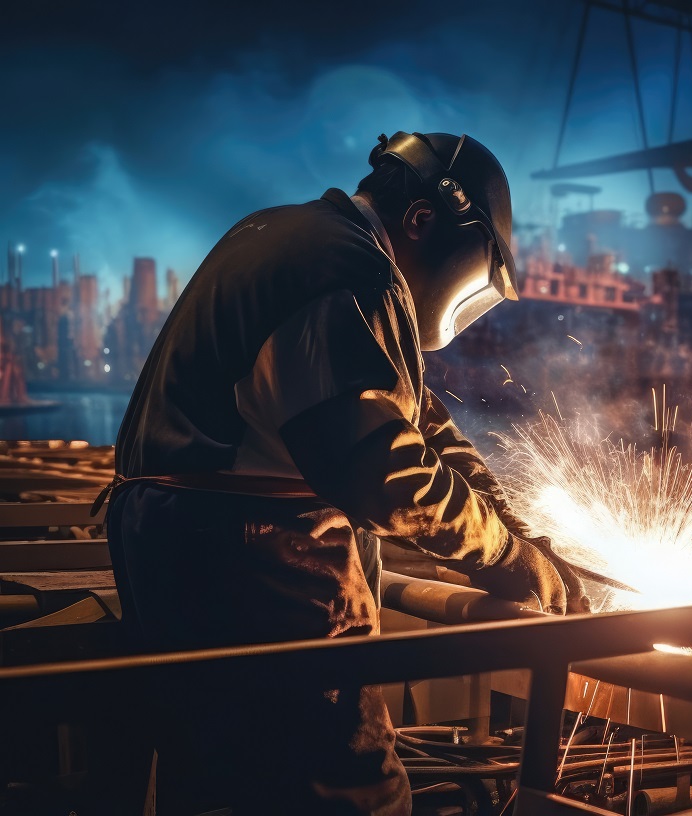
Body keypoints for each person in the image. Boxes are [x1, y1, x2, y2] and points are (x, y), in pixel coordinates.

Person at [104, 131, 578, 814]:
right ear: (424, 220)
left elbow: (418, 422)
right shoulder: (346, 270)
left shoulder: (298, 239)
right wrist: (504, 558)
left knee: (223, 784)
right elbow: (384, 470)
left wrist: (512, 525)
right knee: (344, 790)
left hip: (190, 552)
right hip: (257, 567)